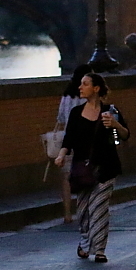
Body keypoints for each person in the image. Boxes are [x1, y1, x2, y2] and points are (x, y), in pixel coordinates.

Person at [57, 73, 129, 263]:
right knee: (83, 210)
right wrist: (61, 155)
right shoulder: (76, 113)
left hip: (106, 167)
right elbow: (69, 139)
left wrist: (115, 125)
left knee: (99, 207)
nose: (80, 87)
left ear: (96, 88)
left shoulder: (110, 111)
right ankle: (84, 241)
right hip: (82, 169)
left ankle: (99, 250)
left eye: (85, 84)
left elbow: (119, 138)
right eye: (81, 84)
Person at [54, 65, 90, 224]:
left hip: (68, 140)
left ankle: (67, 214)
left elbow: (60, 119)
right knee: (86, 174)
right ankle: (85, 210)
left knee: (66, 178)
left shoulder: (67, 95)